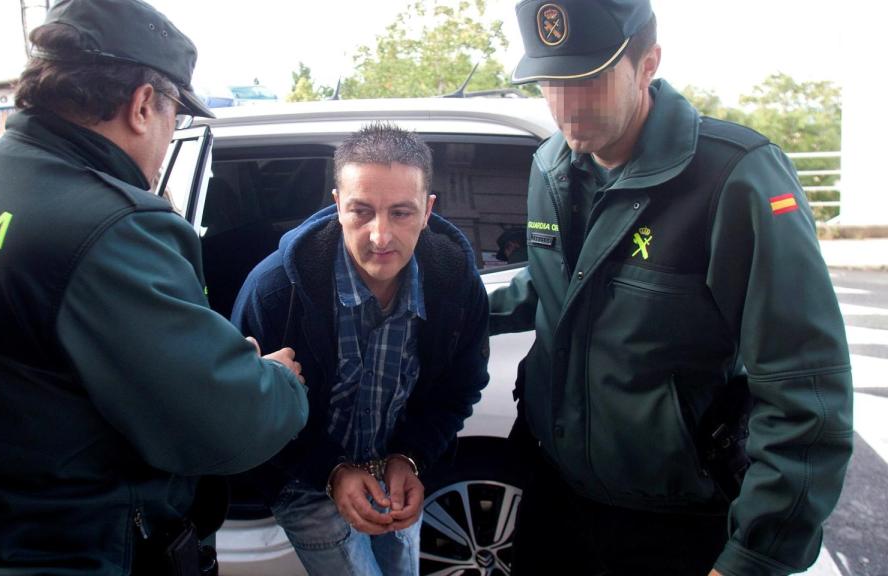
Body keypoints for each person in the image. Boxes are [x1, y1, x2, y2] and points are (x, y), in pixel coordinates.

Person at [0, 1, 308, 574]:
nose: (170, 140)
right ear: (144, 105)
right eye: (175, 119)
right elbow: (221, 428)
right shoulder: (110, 227)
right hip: (80, 554)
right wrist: (276, 383)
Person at [494, 1, 853, 574]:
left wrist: (755, 555)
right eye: (551, 83)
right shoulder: (551, 166)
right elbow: (551, 286)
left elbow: (805, 390)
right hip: (555, 498)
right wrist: (439, 303)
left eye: (588, 80)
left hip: (676, 525)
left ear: (647, 64)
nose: (566, 105)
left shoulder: (736, 178)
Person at [231, 123, 490, 575]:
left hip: (395, 468)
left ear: (428, 211)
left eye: (401, 213)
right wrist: (330, 471)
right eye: (361, 211)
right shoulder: (276, 292)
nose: (380, 236)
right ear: (336, 205)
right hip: (302, 477)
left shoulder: (456, 286)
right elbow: (250, 411)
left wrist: (410, 457)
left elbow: (459, 388)